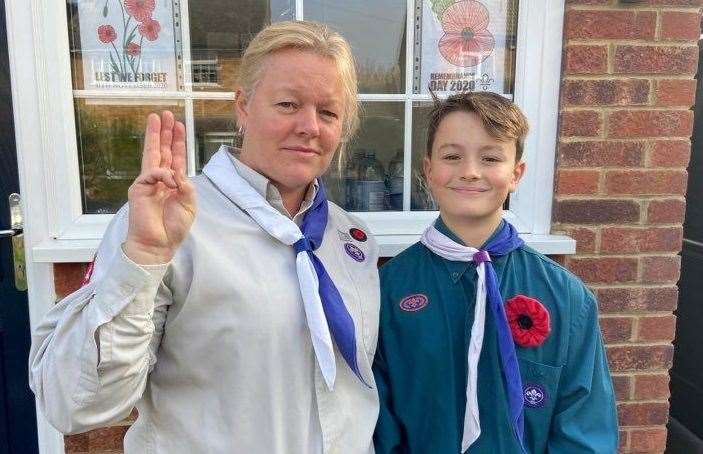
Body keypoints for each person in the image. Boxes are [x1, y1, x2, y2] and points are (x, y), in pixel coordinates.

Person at [29, 20, 380, 453]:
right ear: (243, 108)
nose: (310, 126)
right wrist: (142, 260)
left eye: (328, 112)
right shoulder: (169, 222)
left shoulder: (353, 239)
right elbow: (77, 404)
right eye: (288, 104)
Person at [373, 92, 618, 453]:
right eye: (452, 156)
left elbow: (584, 429)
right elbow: (377, 425)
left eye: (490, 157)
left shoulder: (567, 297)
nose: (470, 171)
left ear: (516, 173)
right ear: (428, 170)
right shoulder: (387, 291)